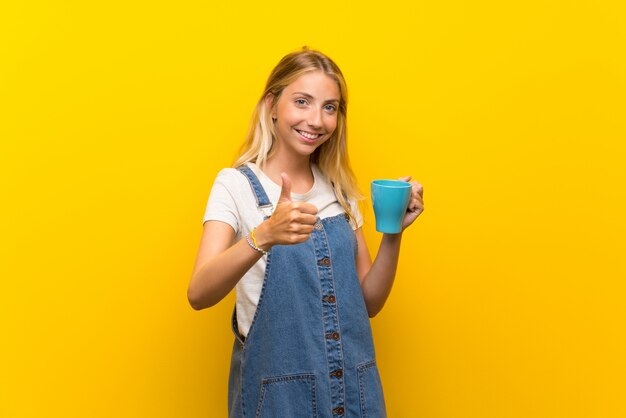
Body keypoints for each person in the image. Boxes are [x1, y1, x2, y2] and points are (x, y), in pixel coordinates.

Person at [188, 47, 424, 418]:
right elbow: (199, 293)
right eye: (302, 102)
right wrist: (264, 235)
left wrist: (394, 231)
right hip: (279, 402)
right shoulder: (235, 185)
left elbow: (370, 303)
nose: (316, 120)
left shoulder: (340, 188)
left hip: (354, 397)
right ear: (272, 105)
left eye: (329, 107)